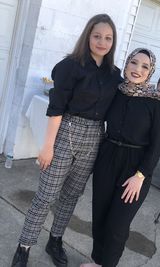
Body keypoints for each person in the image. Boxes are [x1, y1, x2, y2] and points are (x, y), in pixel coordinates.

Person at [11, 14, 122, 267]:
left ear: (113, 42)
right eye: (97, 36)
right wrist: (47, 146)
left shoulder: (114, 75)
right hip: (66, 132)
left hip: (94, 137)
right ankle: (24, 246)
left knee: (72, 195)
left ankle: (56, 239)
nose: (102, 42)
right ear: (88, 37)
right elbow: (56, 108)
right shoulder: (70, 66)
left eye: (108, 38)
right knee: (46, 195)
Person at [80, 48, 160, 267]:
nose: (137, 69)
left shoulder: (157, 101)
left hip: (136, 167)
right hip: (108, 157)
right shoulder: (116, 91)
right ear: (126, 63)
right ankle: (98, 261)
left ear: (151, 71)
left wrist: (140, 176)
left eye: (144, 66)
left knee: (118, 225)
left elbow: (157, 144)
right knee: (100, 215)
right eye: (133, 63)